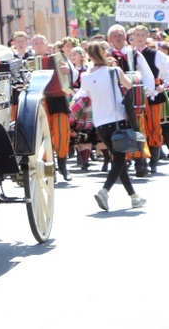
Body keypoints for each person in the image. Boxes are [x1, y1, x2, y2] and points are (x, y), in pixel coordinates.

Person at [80, 42, 146, 211]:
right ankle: (104, 191)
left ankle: (134, 197)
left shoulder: (85, 77)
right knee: (119, 159)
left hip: (101, 123)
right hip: (118, 120)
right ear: (103, 54)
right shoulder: (114, 71)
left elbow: (86, 94)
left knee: (118, 159)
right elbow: (130, 85)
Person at [107, 24, 156, 177]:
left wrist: (148, 90)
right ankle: (121, 163)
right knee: (116, 128)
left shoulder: (133, 52)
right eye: (115, 35)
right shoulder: (105, 55)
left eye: (121, 34)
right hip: (113, 98)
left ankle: (140, 162)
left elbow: (146, 72)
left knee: (137, 128)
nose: (119, 37)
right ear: (109, 39)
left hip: (133, 96)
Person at [31, 33, 78, 181]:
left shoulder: (59, 58)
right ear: (32, 46)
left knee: (62, 132)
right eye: (36, 43)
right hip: (40, 99)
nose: (39, 45)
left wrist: (68, 71)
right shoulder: (28, 61)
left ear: (47, 44)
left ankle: (63, 165)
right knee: (43, 135)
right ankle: (48, 167)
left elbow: (75, 74)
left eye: (41, 42)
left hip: (58, 98)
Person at [129, 25, 169, 173]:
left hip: (153, 95)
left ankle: (153, 162)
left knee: (154, 127)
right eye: (137, 35)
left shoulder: (155, 54)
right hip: (135, 96)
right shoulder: (129, 54)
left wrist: (163, 86)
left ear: (146, 37)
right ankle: (141, 160)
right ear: (132, 37)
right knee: (139, 128)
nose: (139, 38)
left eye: (142, 35)